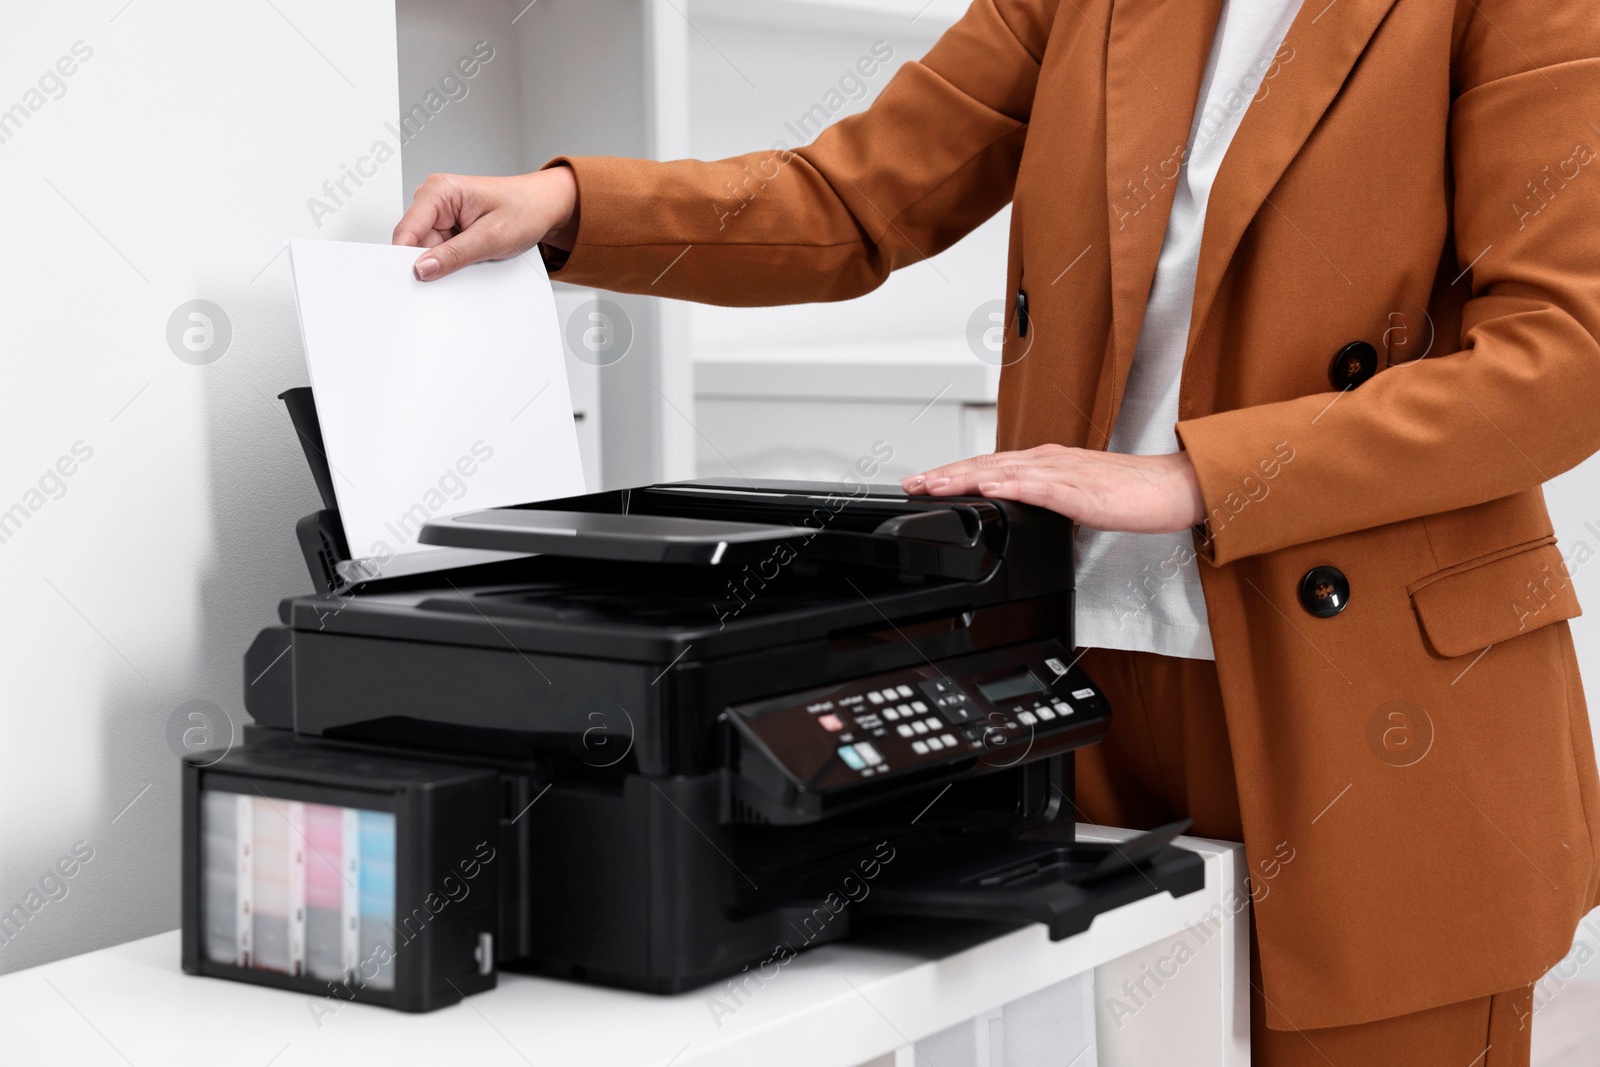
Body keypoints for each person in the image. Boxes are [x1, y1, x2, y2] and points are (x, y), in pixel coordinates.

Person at [393, 1, 1600, 1062]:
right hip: (1075, 668)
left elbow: (1562, 358)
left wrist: (1201, 474)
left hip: (1373, 683)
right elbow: (851, 198)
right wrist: (568, 208)